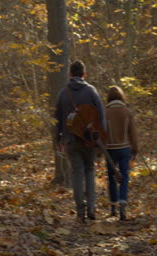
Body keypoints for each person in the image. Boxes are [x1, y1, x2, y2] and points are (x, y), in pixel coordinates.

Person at [55, 60, 106, 222]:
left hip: (70, 139)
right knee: (90, 170)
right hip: (89, 140)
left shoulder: (63, 93)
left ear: (70, 74)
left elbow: (57, 119)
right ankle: (91, 207)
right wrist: (101, 139)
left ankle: (80, 211)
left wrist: (58, 139)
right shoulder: (92, 91)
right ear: (84, 74)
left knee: (77, 172)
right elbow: (101, 116)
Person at [105, 86, 138, 221]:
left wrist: (99, 150)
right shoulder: (127, 112)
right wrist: (135, 149)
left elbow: (102, 132)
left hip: (109, 149)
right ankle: (123, 202)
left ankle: (113, 206)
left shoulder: (105, 112)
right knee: (124, 176)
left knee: (112, 177)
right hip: (124, 148)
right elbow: (133, 133)